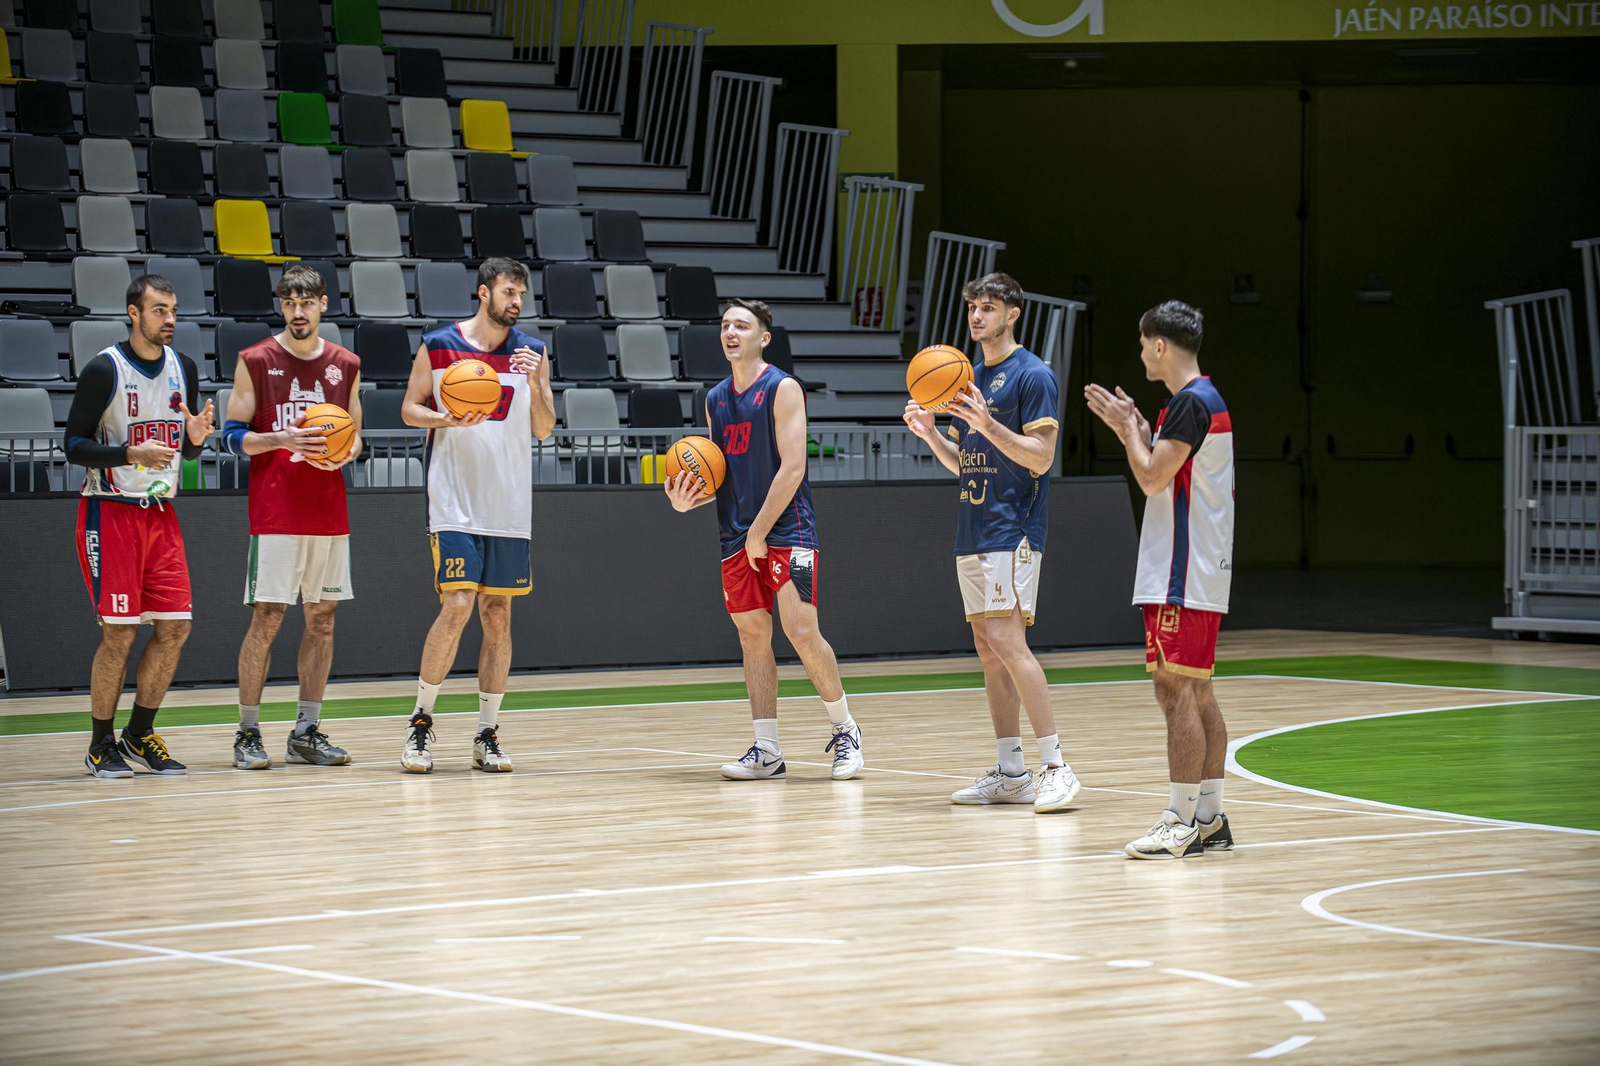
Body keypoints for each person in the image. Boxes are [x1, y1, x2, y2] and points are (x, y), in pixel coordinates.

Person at [902, 273, 1080, 813]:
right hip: (972, 525)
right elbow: (966, 465)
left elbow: (1041, 457)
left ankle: (1056, 765)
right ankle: (1011, 771)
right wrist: (933, 436)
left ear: (1013, 315)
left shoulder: (1033, 374)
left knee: (1007, 639)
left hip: (1013, 528)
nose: (978, 316)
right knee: (986, 648)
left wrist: (989, 423)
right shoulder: (966, 376)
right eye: (973, 307)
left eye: (989, 307)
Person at [664, 298, 864, 781]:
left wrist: (759, 532)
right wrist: (685, 501)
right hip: (736, 536)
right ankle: (767, 749)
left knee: (800, 629)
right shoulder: (714, 399)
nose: (731, 332)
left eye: (742, 325)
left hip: (789, 531)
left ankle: (846, 730)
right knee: (753, 637)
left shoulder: (783, 387)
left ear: (763, 337)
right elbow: (718, 475)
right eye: (726, 325)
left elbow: (793, 467)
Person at [1085, 300, 1236, 859]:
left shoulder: (1190, 403)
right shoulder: (1201, 401)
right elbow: (1167, 469)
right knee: (1195, 690)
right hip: (1198, 570)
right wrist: (1143, 429)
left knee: (1175, 690)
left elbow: (1150, 478)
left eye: (1143, 342)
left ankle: (1180, 819)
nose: (1141, 351)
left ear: (1159, 346)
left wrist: (1129, 431)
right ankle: (1211, 815)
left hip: (1182, 571)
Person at [398, 258, 555, 773]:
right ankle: (420, 724)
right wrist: (444, 418)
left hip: (508, 505)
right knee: (459, 605)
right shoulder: (440, 344)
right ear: (483, 292)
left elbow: (544, 429)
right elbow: (409, 408)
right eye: (508, 292)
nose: (516, 302)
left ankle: (486, 733)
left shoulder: (532, 353)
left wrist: (535, 386)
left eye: (521, 295)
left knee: (498, 615)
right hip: (454, 499)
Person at [62, 275, 214, 778]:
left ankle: (139, 733)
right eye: (158, 310)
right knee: (120, 634)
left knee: (175, 629)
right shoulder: (104, 369)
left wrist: (194, 442)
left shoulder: (183, 368)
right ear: (134, 313)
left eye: (173, 310)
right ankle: (99, 742)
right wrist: (128, 452)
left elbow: (186, 451)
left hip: (160, 513)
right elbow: (74, 445)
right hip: (110, 510)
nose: (169, 319)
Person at [222, 264, 363, 770]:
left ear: (324, 304)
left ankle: (306, 731)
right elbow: (231, 436)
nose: (297, 312)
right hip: (277, 510)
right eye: (289, 303)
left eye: (307, 303)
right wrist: (280, 439)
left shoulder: (346, 363)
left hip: (328, 510)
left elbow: (357, 437)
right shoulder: (255, 359)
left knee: (322, 619)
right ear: (282, 305)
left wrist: (345, 452)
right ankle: (247, 731)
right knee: (269, 617)